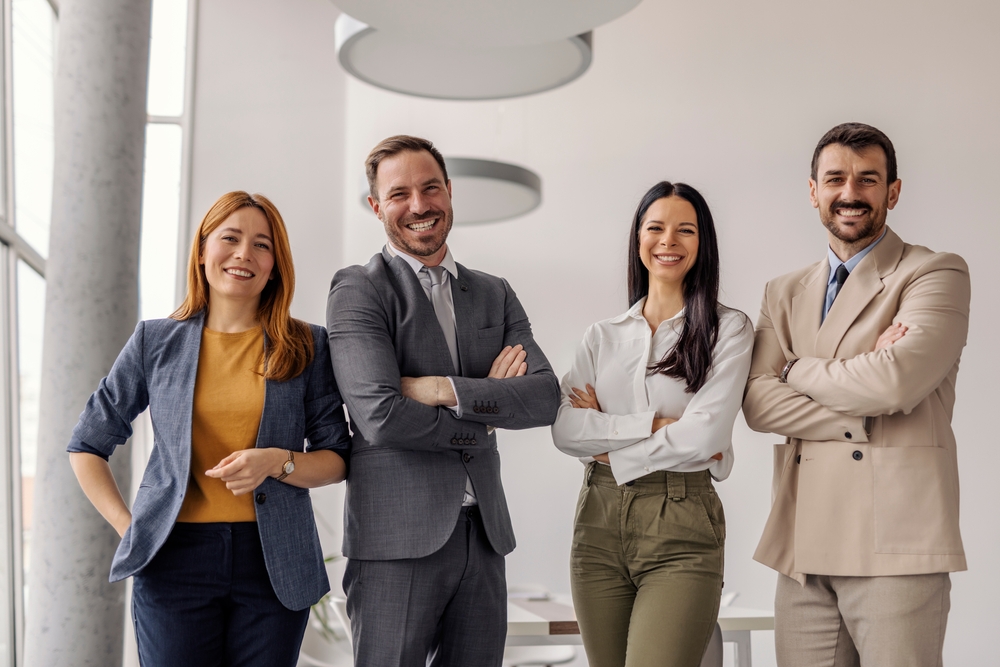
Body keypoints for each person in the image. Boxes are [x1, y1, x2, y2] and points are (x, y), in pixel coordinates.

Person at [67, 191, 351, 667]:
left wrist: (276, 462)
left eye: (262, 245)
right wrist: (130, 529)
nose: (244, 254)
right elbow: (86, 444)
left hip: (274, 563)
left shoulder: (307, 344)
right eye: (230, 238)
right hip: (174, 558)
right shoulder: (154, 341)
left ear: (275, 265)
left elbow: (337, 458)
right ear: (202, 251)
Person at [327, 135, 560, 667]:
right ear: (376, 206)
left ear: (450, 192)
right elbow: (380, 416)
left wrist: (440, 389)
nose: (419, 205)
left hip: (484, 537)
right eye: (399, 194)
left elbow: (545, 397)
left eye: (430, 188)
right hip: (396, 541)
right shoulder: (358, 289)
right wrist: (487, 410)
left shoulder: (494, 292)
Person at [742, 122, 970, 667]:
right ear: (813, 191)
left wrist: (792, 368)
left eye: (868, 179)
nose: (850, 193)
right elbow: (756, 402)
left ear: (893, 191)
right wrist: (861, 403)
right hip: (802, 540)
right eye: (835, 179)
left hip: (897, 539)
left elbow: (894, 382)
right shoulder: (783, 290)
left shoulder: (934, 272)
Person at [551, 181, 753, 667]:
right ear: (638, 238)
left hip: (681, 520)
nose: (668, 241)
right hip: (598, 521)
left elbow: (703, 437)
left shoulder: (729, 329)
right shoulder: (602, 336)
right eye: (655, 228)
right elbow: (565, 429)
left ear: (703, 243)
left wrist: (608, 438)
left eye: (686, 230)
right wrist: (655, 424)